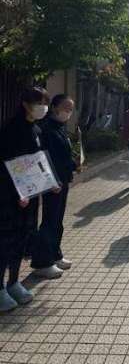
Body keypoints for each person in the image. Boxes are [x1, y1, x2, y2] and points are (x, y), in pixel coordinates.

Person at [0, 87, 50, 312]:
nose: (43, 108)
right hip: (10, 197)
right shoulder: (10, 130)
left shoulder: (36, 129)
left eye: (45, 103)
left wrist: (49, 181)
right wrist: (16, 192)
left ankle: (14, 282)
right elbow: (8, 165)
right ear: (25, 105)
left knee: (22, 240)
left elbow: (38, 161)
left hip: (30, 196)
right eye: (38, 103)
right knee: (6, 242)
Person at [31, 95, 77, 279]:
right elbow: (42, 158)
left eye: (71, 109)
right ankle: (42, 262)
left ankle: (55, 254)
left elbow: (63, 154)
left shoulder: (60, 127)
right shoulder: (45, 128)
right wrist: (50, 180)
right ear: (55, 107)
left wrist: (74, 164)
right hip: (52, 182)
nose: (68, 112)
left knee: (57, 220)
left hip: (62, 180)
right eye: (66, 107)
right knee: (49, 221)